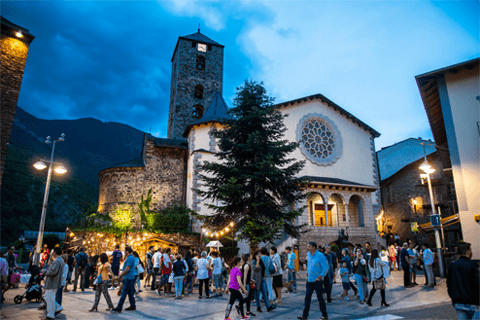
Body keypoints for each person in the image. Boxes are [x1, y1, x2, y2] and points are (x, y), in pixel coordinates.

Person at [447, 242, 479, 320]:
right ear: (467, 251)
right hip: (474, 302)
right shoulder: (473, 265)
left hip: (459, 303)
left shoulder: (452, 266)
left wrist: (453, 300)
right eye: (470, 250)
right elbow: (477, 283)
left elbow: (449, 285)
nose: (471, 252)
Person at [297, 241, 329, 320]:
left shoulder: (320, 256)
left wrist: (321, 276)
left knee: (320, 298)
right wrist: (307, 275)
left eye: (309, 246)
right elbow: (309, 266)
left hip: (317, 280)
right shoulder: (308, 255)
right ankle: (304, 316)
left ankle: (324, 315)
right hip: (309, 280)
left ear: (313, 247)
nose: (308, 248)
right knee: (307, 297)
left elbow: (326, 267)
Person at [42, 247, 65, 319]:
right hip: (55, 282)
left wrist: (44, 271)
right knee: (47, 296)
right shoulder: (60, 260)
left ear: (54, 252)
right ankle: (57, 307)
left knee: (49, 298)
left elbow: (53, 272)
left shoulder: (57, 261)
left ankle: (50, 314)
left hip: (52, 282)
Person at [112, 246, 136, 313]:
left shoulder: (129, 258)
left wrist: (120, 275)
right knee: (130, 292)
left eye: (125, 251)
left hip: (128, 277)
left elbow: (127, 269)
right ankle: (133, 305)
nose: (124, 253)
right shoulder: (132, 257)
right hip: (130, 277)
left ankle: (119, 307)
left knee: (124, 293)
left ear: (127, 251)